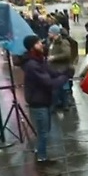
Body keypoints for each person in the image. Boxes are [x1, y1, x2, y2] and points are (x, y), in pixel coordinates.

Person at [20, 35, 71, 167]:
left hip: (44, 101)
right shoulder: (32, 65)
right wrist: (65, 77)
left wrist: (64, 72)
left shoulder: (39, 60)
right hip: (38, 103)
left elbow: (52, 73)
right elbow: (49, 83)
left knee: (44, 130)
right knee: (43, 132)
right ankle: (42, 158)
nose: (41, 45)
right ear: (32, 47)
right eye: (38, 43)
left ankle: (39, 151)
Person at [47, 25, 72, 112]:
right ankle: (63, 104)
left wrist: (54, 57)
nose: (48, 34)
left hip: (61, 69)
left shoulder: (63, 42)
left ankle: (59, 105)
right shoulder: (52, 42)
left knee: (59, 88)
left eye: (50, 32)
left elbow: (67, 54)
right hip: (54, 69)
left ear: (55, 33)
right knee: (59, 88)